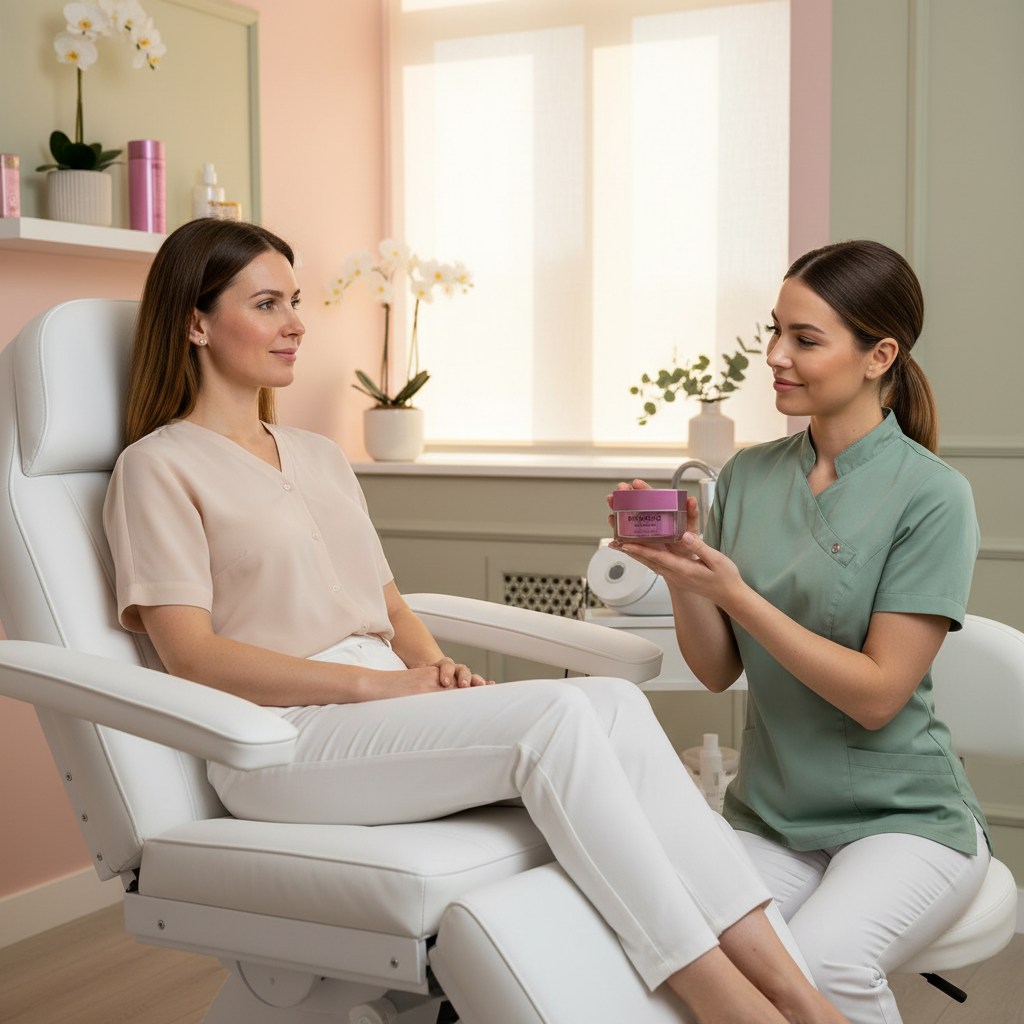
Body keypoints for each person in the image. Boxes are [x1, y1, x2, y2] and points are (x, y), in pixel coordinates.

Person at [102, 218, 849, 1024]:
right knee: (560, 714)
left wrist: (435, 671)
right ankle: (731, 1006)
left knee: (613, 704)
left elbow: (386, 604)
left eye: (296, 300)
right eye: (267, 303)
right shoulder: (157, 467)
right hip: (280, 739)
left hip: (379, 707)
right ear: (195, 321)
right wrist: (372, 688)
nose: (295, 323)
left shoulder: (315, 453)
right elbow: (191, 656)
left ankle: (799, 997)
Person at [612, 240, 991, 1024]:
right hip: (771, 816)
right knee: (677, 955)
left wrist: (739, 596)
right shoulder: (748, 476)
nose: (776, 356)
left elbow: (880, 696)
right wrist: (687, 576)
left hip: (905, 819)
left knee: (821, 966)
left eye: (806, 339)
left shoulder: (933, 497)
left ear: (879, 354)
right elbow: (717, 671)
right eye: (775, 332)